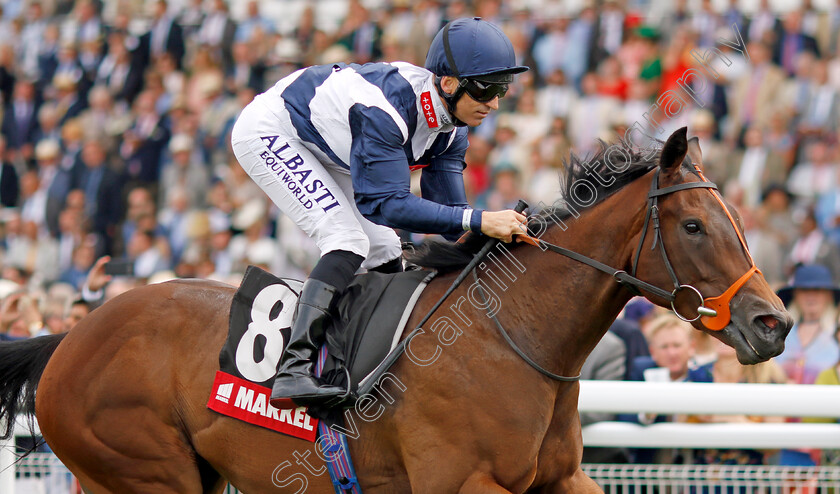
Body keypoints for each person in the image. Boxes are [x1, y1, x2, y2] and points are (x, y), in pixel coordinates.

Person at [230, 17, 529, 408]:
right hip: (272, 130)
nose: (495, 102)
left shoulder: (452, 128)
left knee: (387, 250)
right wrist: (479, 219)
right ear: (449, 84)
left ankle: (370, 358)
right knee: (347, 238)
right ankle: (293, 369)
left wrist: (509, 232)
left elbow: (451, 217)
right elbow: (384, 204)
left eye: (502, 89)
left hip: (334, 146)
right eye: (488, 89)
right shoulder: (384, 110)